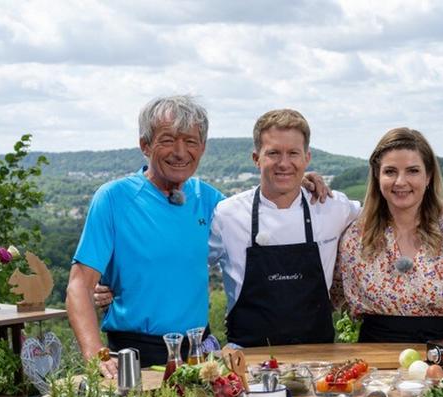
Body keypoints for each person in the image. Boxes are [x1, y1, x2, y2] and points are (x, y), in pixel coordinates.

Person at [68, 96, 330, 374]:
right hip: (136, 355)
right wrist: (96, 353)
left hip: (199, 355)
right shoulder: (113, 198)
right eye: (168, 140)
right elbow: (79, 286)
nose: (180, 152)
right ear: (145, 145)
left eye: (191, 141)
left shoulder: (209, 200)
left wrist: (294, 182)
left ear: (202, 148)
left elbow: (262, 212)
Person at [208, 110, 443, 347]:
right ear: (256, 158)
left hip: (317, 358)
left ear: (307, 158)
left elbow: (397, 207)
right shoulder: (227, 214)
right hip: (248, 357)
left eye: (293, 153)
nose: (284, 163)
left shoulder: (333, 207)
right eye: (273, 153)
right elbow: (189, 266)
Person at [336, 127, 443, 343]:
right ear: (377, 176)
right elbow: (331, 296)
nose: (400, 181)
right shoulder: (355, 237)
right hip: (375, 363)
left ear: (429, 176)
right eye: (390, 171)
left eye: (413, 171)